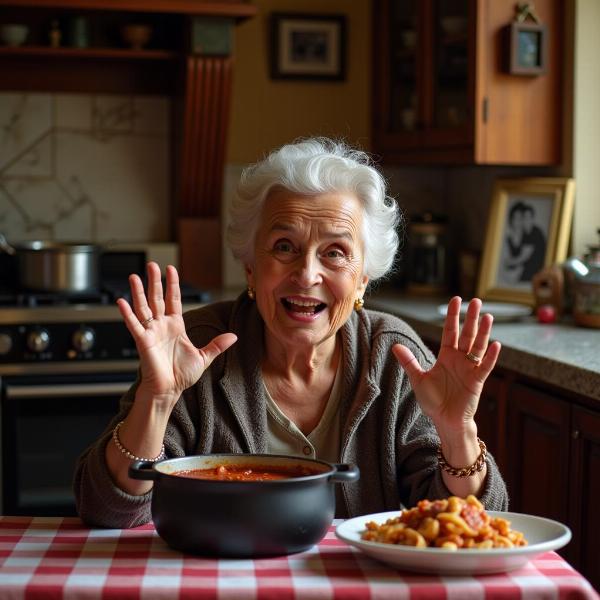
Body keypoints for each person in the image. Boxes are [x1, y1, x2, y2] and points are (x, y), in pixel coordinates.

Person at [74, 137, 508, 528]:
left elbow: (474, 524)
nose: (306, 274)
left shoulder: (395, 357)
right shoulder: (198, 344)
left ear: (362, 281)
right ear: (250, 265)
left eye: (335, 253)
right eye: (284, 247)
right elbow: (106, 511)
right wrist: (157, 399)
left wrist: (457, 433)